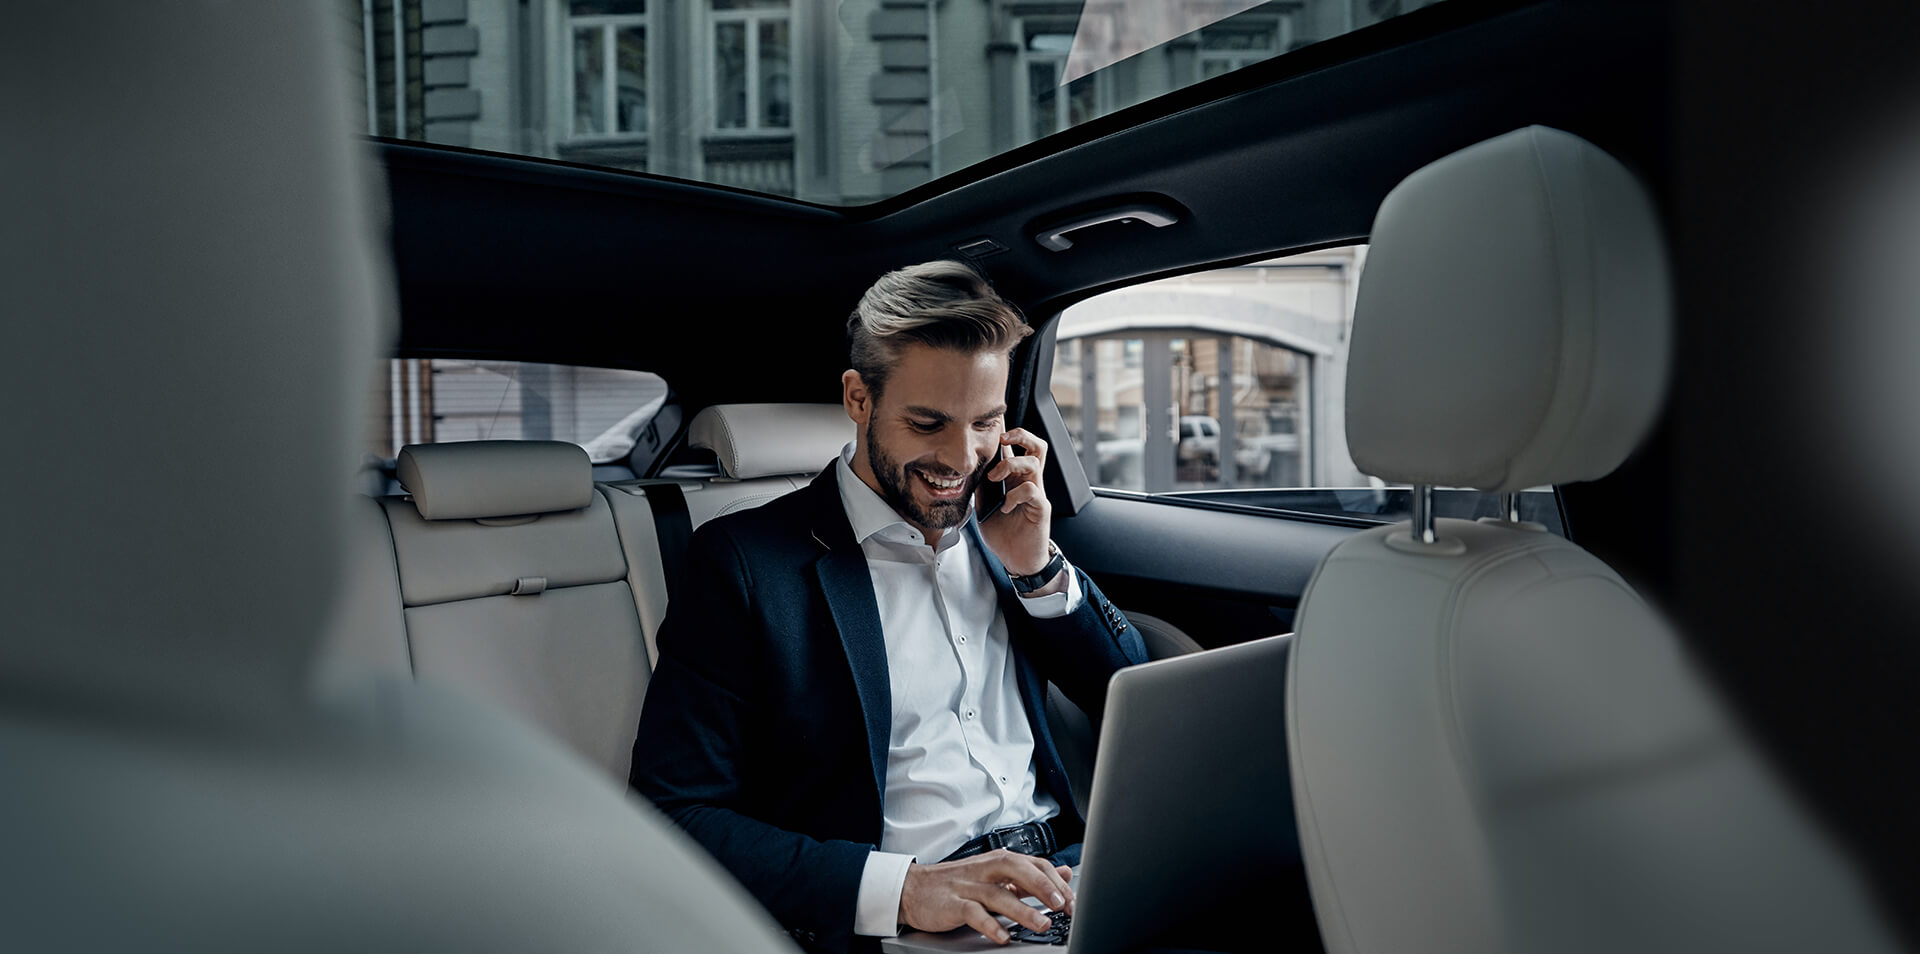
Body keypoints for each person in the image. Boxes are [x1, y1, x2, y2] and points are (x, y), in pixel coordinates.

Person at [631, 260, 1149, 952]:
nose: (962, 458)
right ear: (858, 398)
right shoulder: (747, 564)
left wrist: (1036, 568)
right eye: (928, 423)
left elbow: (1131, 699)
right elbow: (673, 813)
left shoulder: (1009, 529)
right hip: (914, 923)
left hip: (1068, 881)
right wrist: (905, 889)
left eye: (986, 423)